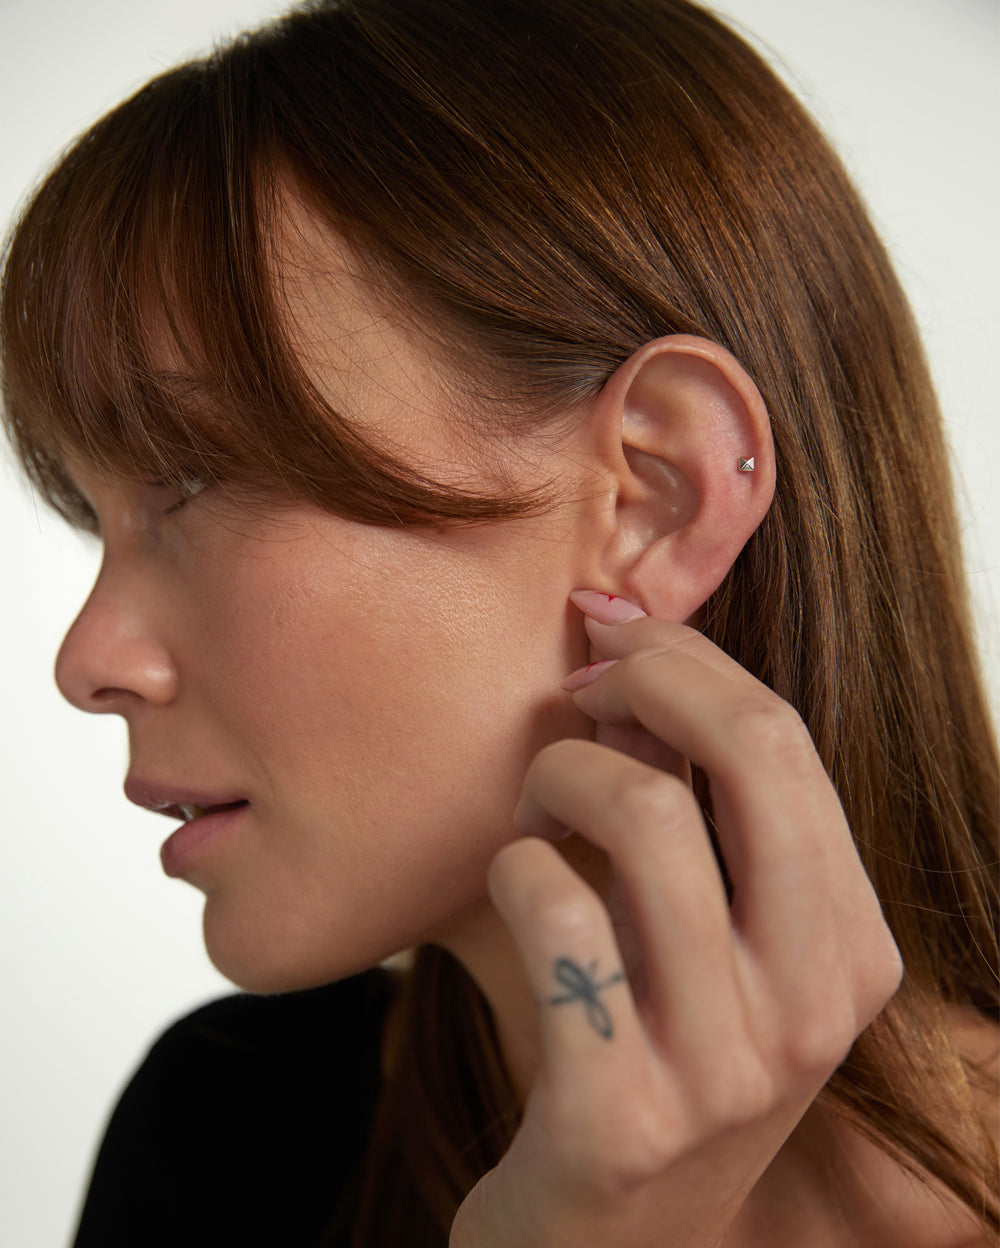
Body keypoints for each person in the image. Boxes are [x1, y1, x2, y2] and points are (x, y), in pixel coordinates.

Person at [1, 0, 996, 1244]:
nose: (88, 662)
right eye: (92, 517)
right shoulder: (224, 1140)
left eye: (192, 477)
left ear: (654, 493)